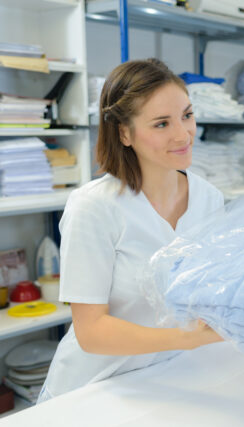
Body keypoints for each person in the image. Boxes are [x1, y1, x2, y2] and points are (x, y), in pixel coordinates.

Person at [38, 59, 224, 403]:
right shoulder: (94, 207)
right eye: (161, 123)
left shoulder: (209, 199)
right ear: (124, 133)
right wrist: (188, 337)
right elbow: (91, 332)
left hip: (168, 377)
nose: (183, 134)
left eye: (187, 115)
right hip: (94, 387)